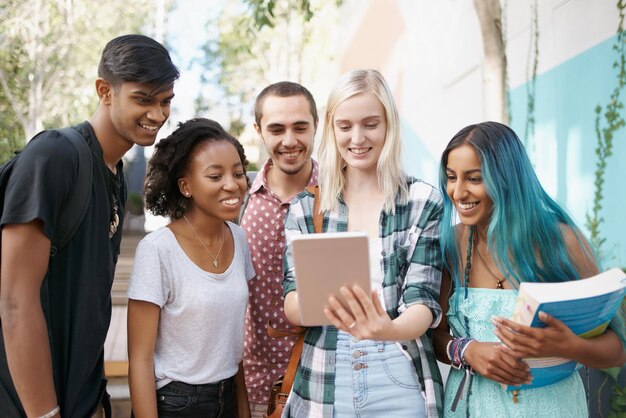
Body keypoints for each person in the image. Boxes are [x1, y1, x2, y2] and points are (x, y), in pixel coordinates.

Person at [0, 34, 178, 418]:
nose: (158, 114)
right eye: (144, 99)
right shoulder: (54, 157)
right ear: (105, 91)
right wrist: (45, 413)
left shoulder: (113, 176)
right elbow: (15, 301)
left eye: (165, 101)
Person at [432, 121, 626, 417]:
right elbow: (435, 336)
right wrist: (467, 350)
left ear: (506, 179)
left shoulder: (562, 242)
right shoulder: (451, 245)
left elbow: (617, 348)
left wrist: (569, 345)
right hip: (472, 409)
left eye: (474, 179)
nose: (458, 192)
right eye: (451, 177)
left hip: (554, 407)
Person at [282, 69, 444, 418]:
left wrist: (387, 330)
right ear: (331, 129)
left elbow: (423, 301)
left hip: (397, 365)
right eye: (345, 126)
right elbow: (291, 301)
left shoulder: (422, 201)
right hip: (327, 366)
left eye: (371, 124)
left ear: (389, 125)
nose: (358, 138)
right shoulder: (306, 209)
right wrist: (324, 302)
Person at [127, 118, 254, 418]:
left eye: (238, 173)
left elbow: (231, 345)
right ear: (185, 186)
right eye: (215, 175)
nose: (232, 183)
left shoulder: (239, 238)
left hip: (228, 398)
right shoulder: (158, 250)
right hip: (175, 403)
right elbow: (140, 360)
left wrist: (243, 409)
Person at [239, 81, 319, 417]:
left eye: (300, 127)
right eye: (277, 129)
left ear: (317, 125)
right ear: (259, 130)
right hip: (251, 386)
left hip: (323, 383)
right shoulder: (237, 198)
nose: (289, 140)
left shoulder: (341, 197)